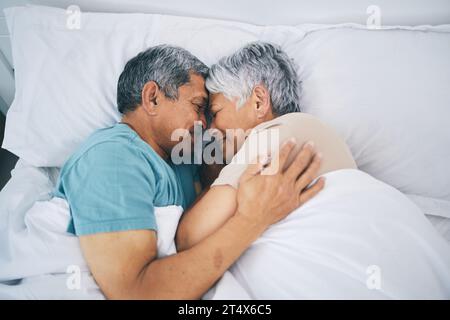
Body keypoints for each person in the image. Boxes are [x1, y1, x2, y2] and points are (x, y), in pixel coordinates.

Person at [53, 44, 324, 299]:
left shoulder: (183, 158)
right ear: (152, 98)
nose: (205, 124)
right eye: (198, 107)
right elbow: (137, 293)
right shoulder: (111, 158)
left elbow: (217, 187)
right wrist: (253, 220)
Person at [176, 42, 356, 251]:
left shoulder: (269, 136)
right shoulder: (324, 134)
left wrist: (215, 179)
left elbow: (188, 238)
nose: (211, 130)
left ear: (259, 101)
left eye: (216, 113)